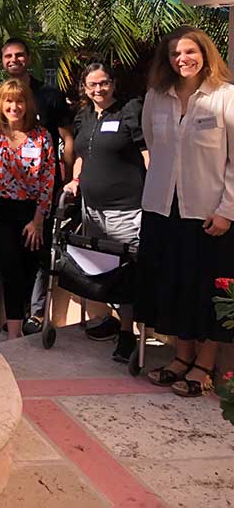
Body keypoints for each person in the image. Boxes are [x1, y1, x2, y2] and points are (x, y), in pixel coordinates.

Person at [137, 26, 234, 398]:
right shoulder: (156, 97)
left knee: (205, 292)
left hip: (208, 213)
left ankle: (204, 366)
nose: (182, 59)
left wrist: (226, 210)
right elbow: (153, 144)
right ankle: (181, 357)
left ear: (205, 54)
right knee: (173, 285)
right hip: (163, 208)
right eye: (175, 53)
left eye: (189, 51)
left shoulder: (225, 97)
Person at [62, 62, 147, 361]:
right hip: (92, 209)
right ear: (84, 89)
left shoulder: (129, 109)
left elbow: (146, 152)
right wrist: (74, 181)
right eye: (92, 85)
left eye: (104, 83)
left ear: (113, 83)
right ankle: (111, 322)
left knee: (125, 272)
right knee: (102, 269)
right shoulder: (84, 116)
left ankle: (128, 333)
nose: (98, 89)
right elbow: (83, 156)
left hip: (125, 208)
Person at [1, 38, 74, 333]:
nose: (14, 60)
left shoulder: (49, 95)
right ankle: (13, 320)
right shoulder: (1, 95)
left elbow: (67, 138)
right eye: (8, 56)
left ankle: (38, 315)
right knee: (10, 261)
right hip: (6, 201)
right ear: (2, 61)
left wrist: (67, 179)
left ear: (28, 59)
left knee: (40, 257)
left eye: (19, 55)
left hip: (43, 193)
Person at [0, 80, 55, 339]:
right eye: (8, 101)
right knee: (10, 267)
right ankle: (14, 333)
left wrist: (37, 220)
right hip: (1, 212)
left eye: (19, 101)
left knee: (29, 268)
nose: (14, 106)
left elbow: (48, 179)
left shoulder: (42, 136)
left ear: (28, 104)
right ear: (0, 104)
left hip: (31, 213)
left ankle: (21, 320)